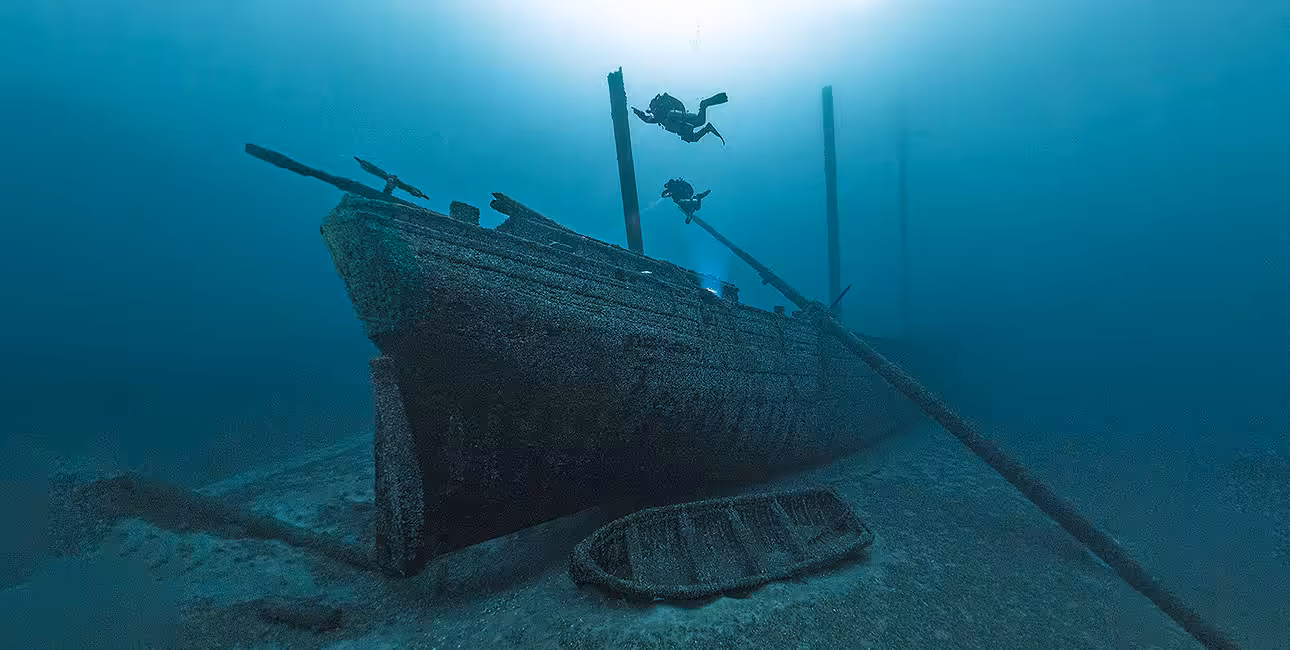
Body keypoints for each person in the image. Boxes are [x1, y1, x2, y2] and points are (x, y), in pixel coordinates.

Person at [632, 92, 728, 144]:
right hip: (683, 120)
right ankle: (704, 106)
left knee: (693, 137)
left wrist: (637, 112)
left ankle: (705, 110)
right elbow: (646, 119)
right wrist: (637, 112)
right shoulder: (661, 114)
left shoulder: (659, 116)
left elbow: (646, 119)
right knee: (700, 121)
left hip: (682, 122)